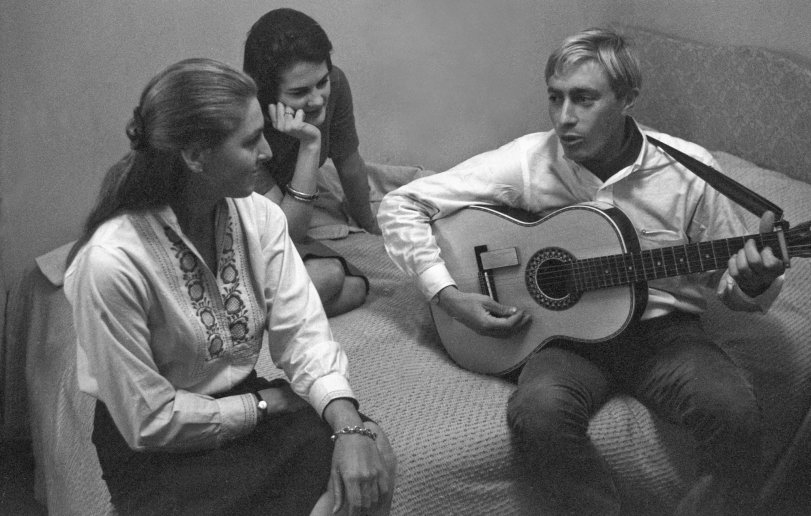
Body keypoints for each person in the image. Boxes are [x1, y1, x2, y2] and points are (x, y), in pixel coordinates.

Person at [378, 28, 785, 515]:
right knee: (536, 414)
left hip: (664, 332)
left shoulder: (690, 172)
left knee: (735, 413)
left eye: (584, 99)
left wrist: (753, 283)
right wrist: (445, 293)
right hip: (568, 341)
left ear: (627, 99)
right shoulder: (531, 160)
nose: (565, 118)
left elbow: (734, 287)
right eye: (556, 98)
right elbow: (402, 203)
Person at [64, 58, 395, 516]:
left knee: (371, 453)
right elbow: (149, 420)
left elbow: (304, 337)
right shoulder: (111, 263)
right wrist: (264, 403)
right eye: (250, 141)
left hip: (249, 407)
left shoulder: (261, 217)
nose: (267, 153)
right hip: (158, 451)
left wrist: (349, 427)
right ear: (196, 156)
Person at [243, 8, 378, 317]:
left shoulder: (336, 85)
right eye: (299, 92)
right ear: (266, 95)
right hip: (243, 228)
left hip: (283, 211)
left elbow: (348, 160)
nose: (317, 99)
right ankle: (239, 322)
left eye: (322, 82)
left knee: (356, 287)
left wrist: (368, 223)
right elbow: (287, 233)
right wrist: (309, 144)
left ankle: (254, 319)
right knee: (330, 276)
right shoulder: (245, 122)